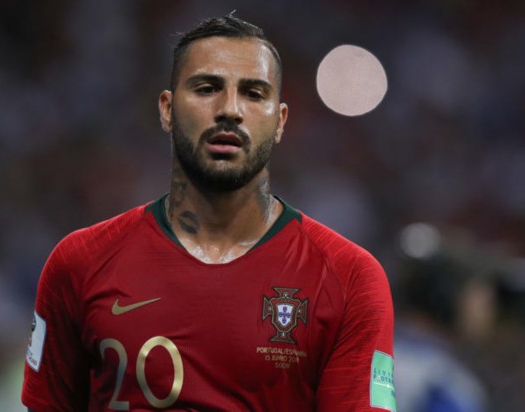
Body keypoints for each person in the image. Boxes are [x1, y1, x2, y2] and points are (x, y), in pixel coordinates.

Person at [22, 13, 396, 411]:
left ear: (280, 121)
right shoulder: (78, 263)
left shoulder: (350, 280)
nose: (230, 109)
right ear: (167, 109)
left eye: (254, 93)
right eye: (206, 88)